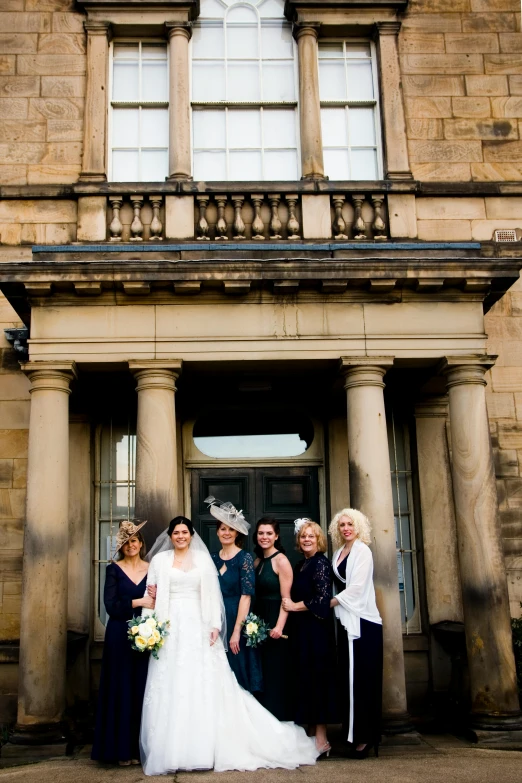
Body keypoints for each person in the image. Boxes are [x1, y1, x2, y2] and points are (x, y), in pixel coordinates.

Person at [139, 515, 318, 775]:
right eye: (175, 532)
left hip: (199, 626)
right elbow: (150, 594)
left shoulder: (203, 560)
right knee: (172, 682)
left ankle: (203, 747)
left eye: (184, 532)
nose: (180, 536)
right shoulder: (159, 561)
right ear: (170, 536)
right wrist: (150, 627)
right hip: (169, 628)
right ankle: (171, 748)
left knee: (202, 682)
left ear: (191, 535)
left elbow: (212, 594)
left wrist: (214, 626)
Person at [92, 520, 154, 766]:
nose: (131, 546)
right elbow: (111, 606)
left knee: (141, 688)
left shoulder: (152, 568)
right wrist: (139, 602)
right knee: (121, 689)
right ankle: (118, 750)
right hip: (119, 634)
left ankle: (138, 750)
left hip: (147, 633)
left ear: (141, 544)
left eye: (135, 541)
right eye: (127, 542)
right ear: (122, 546)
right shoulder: (113, 570)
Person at [329, 508, 383, 759]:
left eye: (350, 524)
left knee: (363, 681)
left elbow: (358, 587)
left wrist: (329, 602)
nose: (346, 528)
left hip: (364, 624)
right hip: (346, 622)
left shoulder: (363, 551)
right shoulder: (339, 552)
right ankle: (351, 734)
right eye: (342, 525)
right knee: (349, 680)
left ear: (359, 526)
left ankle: (365, 738)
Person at [282, 519, 338, 758]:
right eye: (303, 536)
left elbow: (323, 600)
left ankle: (322, 739)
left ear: (318, 540)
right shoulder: (301, 564)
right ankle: (311, 735)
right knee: (305, 679)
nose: (306, 540)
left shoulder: (321, 564)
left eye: (311, 537)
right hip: (302, 632)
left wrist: (295, 607)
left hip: (317, 632)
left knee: (318, 679)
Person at [207, 498, 262, 693]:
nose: (227, 533)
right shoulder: (211, 558)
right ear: (217, 531)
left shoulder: (244, 558)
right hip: (214, 618)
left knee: (236, 668)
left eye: (231, 529)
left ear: (237, 532)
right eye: (223, 528)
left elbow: (246, 596)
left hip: (235, 616)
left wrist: (236, 631)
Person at [253, 517, 293, 719]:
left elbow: (286, 599)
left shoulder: (281, 561)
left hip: (276, 623)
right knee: (261, 674)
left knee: (275, 674)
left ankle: (279, 720)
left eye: (269, 533)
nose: (265, 537)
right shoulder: (258, 561)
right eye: (261, 533)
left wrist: (279, 627)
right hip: (258, 623)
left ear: (276, 536)